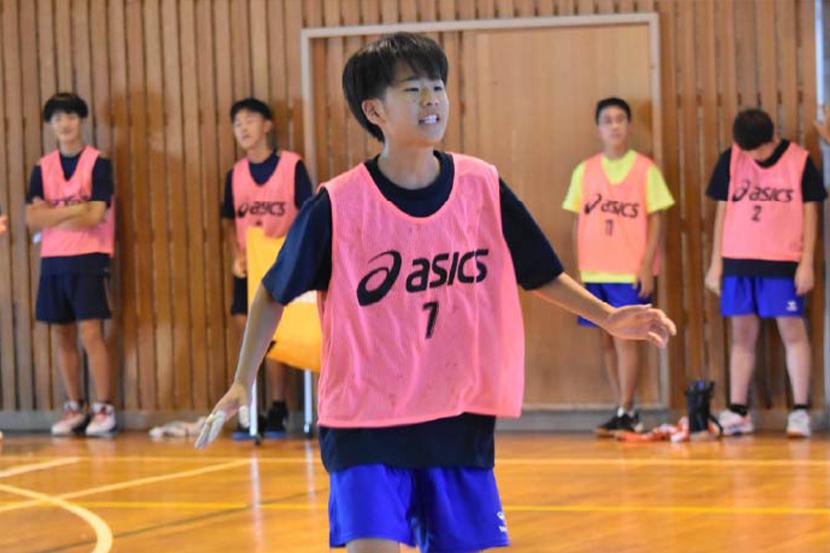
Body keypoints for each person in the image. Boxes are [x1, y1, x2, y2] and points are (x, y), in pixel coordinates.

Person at [197, 33, 675, 553]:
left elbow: (538, 272)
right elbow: (272, 293)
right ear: (374, 110)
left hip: (456, 413)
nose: (431, 100)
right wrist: (242, 381)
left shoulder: (481, 185)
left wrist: (608, 316)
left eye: (437, 86)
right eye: (413, 89)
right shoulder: (338, 204)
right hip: (365, 419)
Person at [705, 108, 826, 438]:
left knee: (793, 333)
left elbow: (811, 214)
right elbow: (722, 212)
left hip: (782, 263)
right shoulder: (731, 159)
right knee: (741, 337)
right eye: (747, 150)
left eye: (758, 150)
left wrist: (806, 262)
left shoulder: (799, 161)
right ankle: (738, 411)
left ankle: (799, 411)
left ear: (773, 137)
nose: (753, 157)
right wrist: (717, 263)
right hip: (738, 261)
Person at [563, 97, 674, 437]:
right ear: (598, 128)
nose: (614, 126)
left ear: (629, 126)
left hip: (628, 271)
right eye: (607, 120)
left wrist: (646, 265)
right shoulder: (584, 170)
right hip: (594, 270)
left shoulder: (645, 169)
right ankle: (623, 407)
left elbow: (657, 219)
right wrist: (579, 268)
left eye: (620, 119)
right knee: (607, 341)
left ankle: (628, 409)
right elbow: (577, 221)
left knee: (627, 339)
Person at [221, 97, 313, 438]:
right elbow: (228, 220)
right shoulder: (234, 174)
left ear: (268, 125)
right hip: (248, 266)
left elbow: (308, 213)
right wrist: (237, 254)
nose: (243, 128)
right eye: (237, 123)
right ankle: (248, 410)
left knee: (276, 334)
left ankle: (278, 407)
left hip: (282, 265)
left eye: (249, 120)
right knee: (247, 332)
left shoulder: (292, 166)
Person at [25, 92, 116, 437]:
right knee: (62, 334)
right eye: (58, 118)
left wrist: (54, 214)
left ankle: (104, 408)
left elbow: (96, 214)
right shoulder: (42, 167)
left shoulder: (97, 162)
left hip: (89, 256)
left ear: (82, 121)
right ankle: (74, 407)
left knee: (91, 333)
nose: (64, 123)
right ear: (50, 125)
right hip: (53, 260)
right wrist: (76, 209)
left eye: (71, 116)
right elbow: (32, 218)